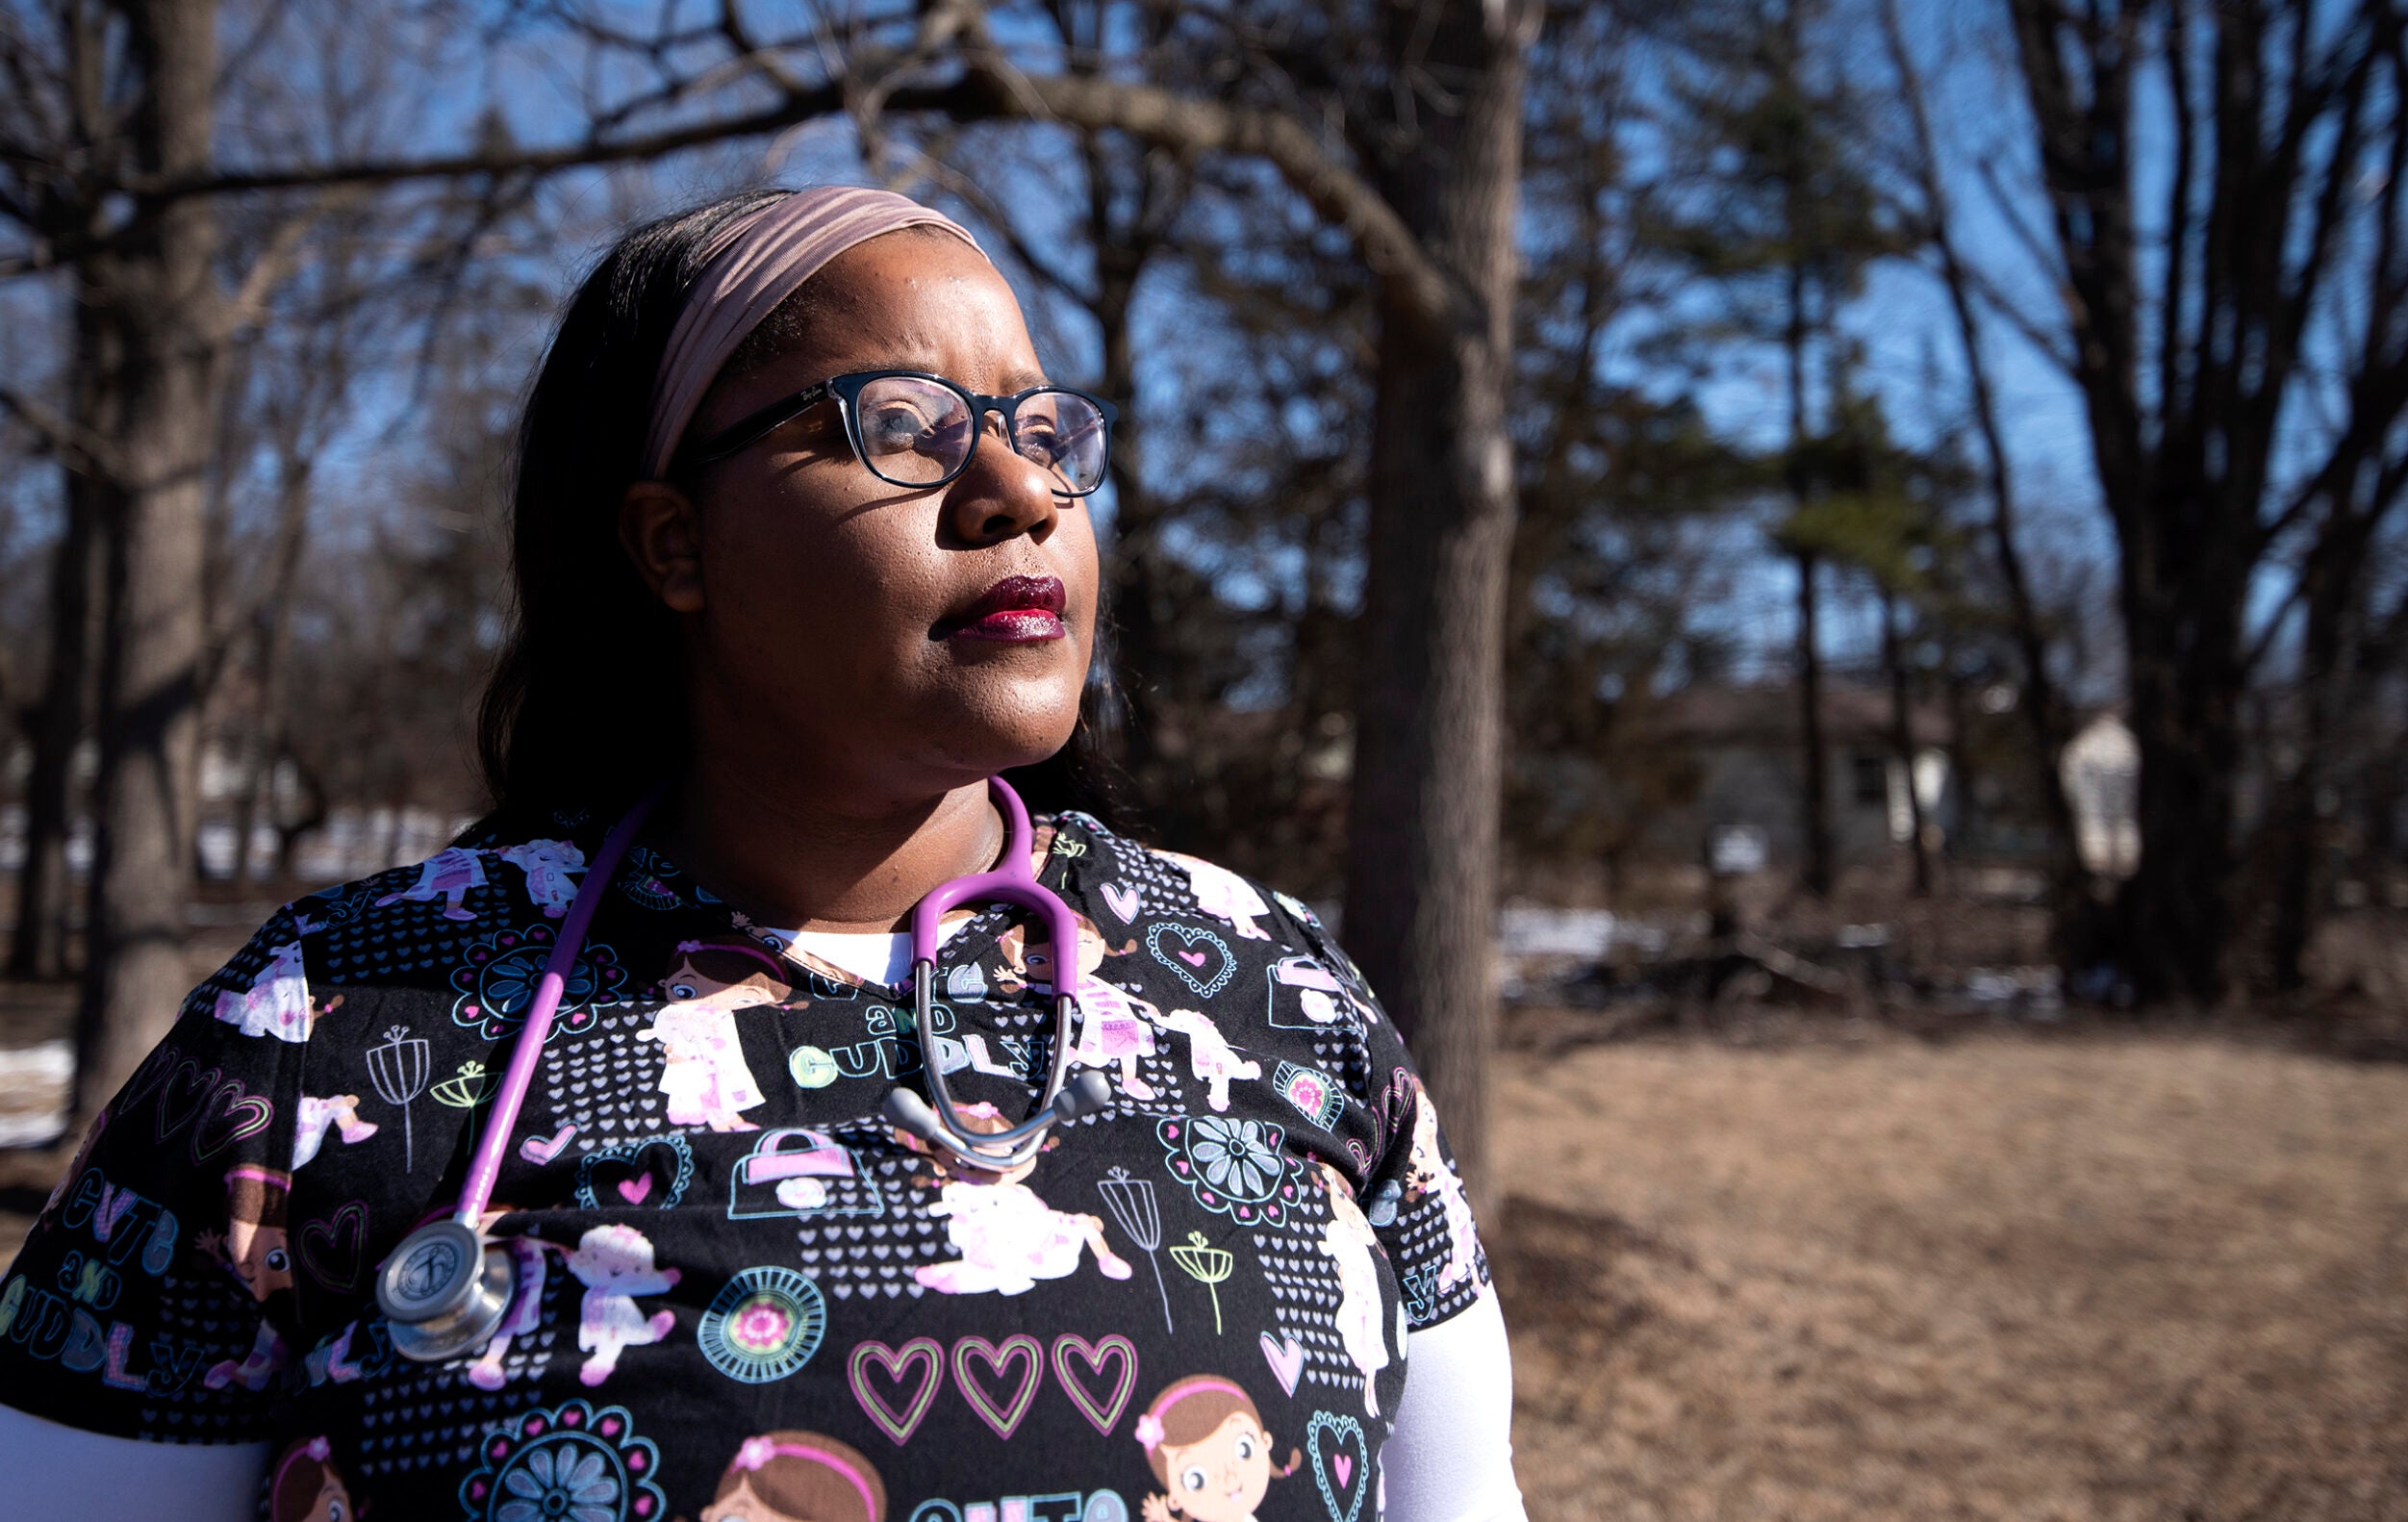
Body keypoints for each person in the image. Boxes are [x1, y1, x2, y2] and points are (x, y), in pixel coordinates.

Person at [0, 185, 1525, 1521]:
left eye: (1042, 428)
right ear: (674, 545)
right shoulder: (326, 1033)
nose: (1019, 492)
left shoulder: (1278, 999)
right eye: (905, 427)